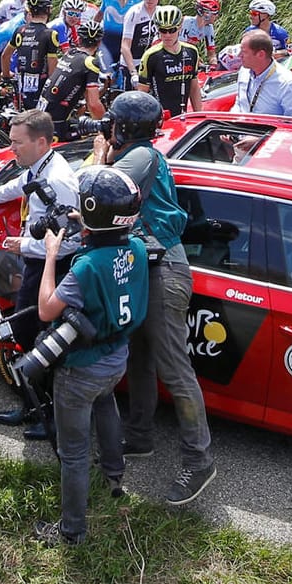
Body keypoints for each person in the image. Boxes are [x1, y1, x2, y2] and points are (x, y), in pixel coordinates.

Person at [92, 90, 214, 505]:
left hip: (164, 271)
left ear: (123, 128)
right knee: (140, 358)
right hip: (145, 268)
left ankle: (199, 461)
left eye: (111, 123)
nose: (106, 128)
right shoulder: (139, 153)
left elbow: (97, 187)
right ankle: (139, 435)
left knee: (175, 369)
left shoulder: (142, 156)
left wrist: (97, 155)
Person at [31, 166, 148, 546]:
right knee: (106, 406)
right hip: (117, 356)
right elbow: (109, 238)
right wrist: (87, 220)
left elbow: (47, 309)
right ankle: (115, 476)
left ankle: (72, 530)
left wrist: (50, 255)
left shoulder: (86, 266)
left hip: (81, 367)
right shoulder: (138, 248)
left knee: (75, 451)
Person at [0, 109, 79, 440]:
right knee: (25, 334)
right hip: (36, 263)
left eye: (17, 142)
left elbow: (69, 240)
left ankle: (46, 412)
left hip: (51, 268)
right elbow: (22, 185)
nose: (12, 148)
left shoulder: (59, 181)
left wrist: (24, 245)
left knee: (37, 338)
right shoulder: (38, 165)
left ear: (41, 141)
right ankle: (34, 404)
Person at [37, 19, 106, 140]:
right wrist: (106, 125)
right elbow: (93, 104)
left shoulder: (69, 54)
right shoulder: (90, 63)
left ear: (79, 39)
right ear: (99, 42)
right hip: (56, 125)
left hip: (41, 116)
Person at [139, 5, 201, 116]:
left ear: (180, 27)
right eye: (163, 30)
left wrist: (199, 116)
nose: (167, 35)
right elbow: (142, 94)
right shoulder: (150, 55)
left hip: (182, 116)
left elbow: (194, 88)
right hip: (159, 118)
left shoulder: (192, 52)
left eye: (172, 30)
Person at [3, 0, 57, 108]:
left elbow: (5, 56)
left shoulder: (20, 30)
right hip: (41, 83)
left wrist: (6, 76)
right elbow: (52, 67)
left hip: (21, 81)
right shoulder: (50, 34)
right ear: (48, 10)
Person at [234, 30, 292, 117]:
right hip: (241, 129)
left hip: (270, 130)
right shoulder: (244, 72)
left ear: (261, 54)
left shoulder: (287, 83)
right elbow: (239, 104)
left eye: (244, 52)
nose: (239, 55)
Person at [120, 0, 164, 89]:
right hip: (132, 62)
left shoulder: (160, 13)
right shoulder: (134, 13)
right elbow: (125, 46)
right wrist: (133, 73)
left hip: (150, 61)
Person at [99, 0, 139, 80]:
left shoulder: (138, 2)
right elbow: (98, 15)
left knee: (123, 81)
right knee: (106, 79)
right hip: (107, 44)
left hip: (128, 45)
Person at [180, 0, 220, 68]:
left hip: (189, 56)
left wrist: (214, 65)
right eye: (215, 13)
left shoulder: (209, 27)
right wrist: (198, 62)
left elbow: (211, 53)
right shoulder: (187, 21)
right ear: (206, 14)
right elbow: (181, 48)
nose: (217, 16)